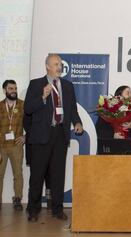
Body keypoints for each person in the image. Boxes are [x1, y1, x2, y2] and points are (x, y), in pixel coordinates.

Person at [24, 54, 83, 222]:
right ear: (47, 66)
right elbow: (28, 108)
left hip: (60, 134)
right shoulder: (36, 84)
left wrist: (77, 122)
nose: (59, 67)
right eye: (56, 64)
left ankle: (57, 209)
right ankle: (33, 209)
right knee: (37, 175)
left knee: (58, 175)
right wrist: (42, 96)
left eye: (60, 64)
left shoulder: (68, 85)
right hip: (41, 135)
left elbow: (72, 109)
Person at [95, 85, 131, 154]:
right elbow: (100, 130)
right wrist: (113, 135)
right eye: (128, 93)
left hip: (129, 149)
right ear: (119, 96)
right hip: (111, 147)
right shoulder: (108, 109)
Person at [0, 80, 25, 211]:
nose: (14, 90)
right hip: (1, 146)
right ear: (5, 91)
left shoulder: (22, 105)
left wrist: (26, 136)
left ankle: (17, 199)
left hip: (16, 145)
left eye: (15, 88)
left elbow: (31, 122)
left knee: (18, 174)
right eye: (10, 88)